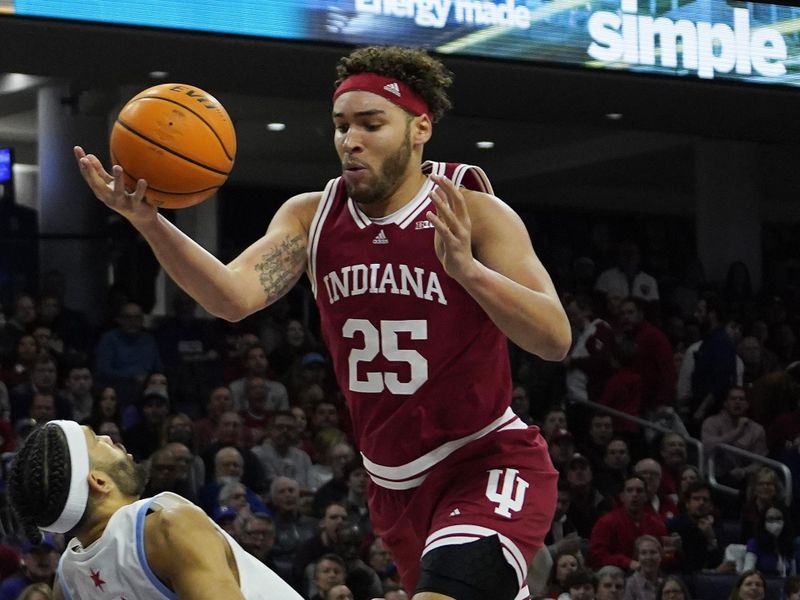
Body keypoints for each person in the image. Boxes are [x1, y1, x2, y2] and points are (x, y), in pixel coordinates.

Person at [76, 45, 570, 600]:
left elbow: (554, 338)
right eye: (340, 125)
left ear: (419, 129)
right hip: (391, 483)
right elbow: (231, 298)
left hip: (484, 460)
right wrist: (150, 222)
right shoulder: (312, 217)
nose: (350, 139)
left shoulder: (473, 212)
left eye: (371, 123)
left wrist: (467, 270)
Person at [6, 420, 303, 599]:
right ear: (98, 481)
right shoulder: (167, 525)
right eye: (98, 441)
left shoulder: (69, 582)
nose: (111, 439)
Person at [623, 535, 662, 600]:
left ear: (660, 557)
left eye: (653, 552)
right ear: (637, 557)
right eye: (643, 553)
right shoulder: (628, 585)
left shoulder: (665, 584)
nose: (648, 557)